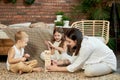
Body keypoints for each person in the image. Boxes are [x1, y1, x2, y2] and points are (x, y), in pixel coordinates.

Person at [47, 28, 117, 77]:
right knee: (82, 64)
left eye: (69, 41)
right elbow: (74, 58)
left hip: (108, 63)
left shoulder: (86, 46)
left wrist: (57, 69)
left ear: (76, 41)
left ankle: (108, 70)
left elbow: (75, 66)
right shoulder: (80, 41)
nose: (67, 43)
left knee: (88, 71)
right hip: (99, 60)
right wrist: (59, 63)